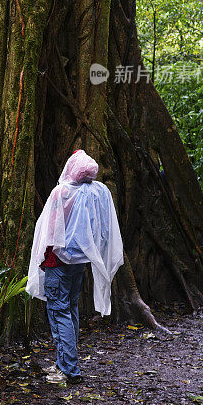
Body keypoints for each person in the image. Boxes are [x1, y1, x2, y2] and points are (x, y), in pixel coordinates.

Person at [26, 150, 124, 384]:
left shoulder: (63, 192)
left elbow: (49, 230)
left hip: (58, 262)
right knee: (69, 309)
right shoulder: (99, 192)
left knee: (59, 311)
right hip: (79, 262)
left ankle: (69, 369)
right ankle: (64, 363)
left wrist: (43, 257)